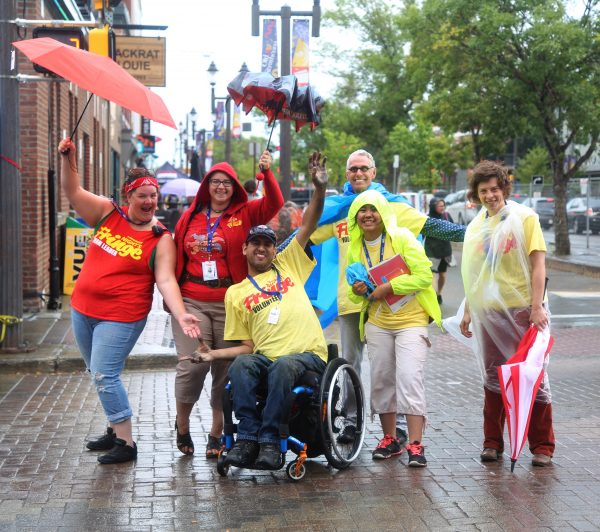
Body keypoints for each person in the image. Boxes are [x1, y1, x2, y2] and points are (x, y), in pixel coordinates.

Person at [58, 137, 200, 464]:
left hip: (122, 315)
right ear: (128, 197)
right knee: (97, 369)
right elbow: (72, 191)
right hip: (83, 309)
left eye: (153, 195)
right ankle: (113, 428)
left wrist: (181, 315)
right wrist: (69, 159)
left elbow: (165, 280)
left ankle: (126, 443)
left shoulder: (160, 237)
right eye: (143, 196)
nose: (150, 201)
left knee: (105, 374)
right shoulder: (108, 214)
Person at [309, 149, 465, 445]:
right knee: (350, 365)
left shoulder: (393, 207)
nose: (358, 173)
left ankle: (399, 427)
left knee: (394, 367)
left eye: (363, 168)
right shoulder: (339, 210)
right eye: (353, 169)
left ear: (374, 172)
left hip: (392, 304)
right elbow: (306, 234)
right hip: (353, 302)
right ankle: (351, 422)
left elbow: (434, 227)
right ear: (346, 174)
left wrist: (476, 232)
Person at [193, 152, 329, 469]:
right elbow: (248, 346)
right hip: (266, 358)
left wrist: (319, 189)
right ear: (245, 249)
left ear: (273, 248)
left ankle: (271, 441)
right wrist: (212, 355)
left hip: (306, 354)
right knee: (241, 365)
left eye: (267, 244)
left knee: (282, 366)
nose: (262, 248)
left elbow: (308, 224)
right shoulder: (236, 293)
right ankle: (246, 439)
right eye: (255, 243)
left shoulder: (288, 264)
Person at [171, 150, 284, 458]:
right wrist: (173, 302)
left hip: (232, 300)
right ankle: (182, 425)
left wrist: (267, 173)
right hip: (192, 299)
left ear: (234, 187)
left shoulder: (244, 213)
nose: (221, 187)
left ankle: (216, 432)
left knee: (226, 370)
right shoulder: (190, 218)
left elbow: (274, 204)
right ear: (206, 185)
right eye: (215, 182)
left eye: (227, 183)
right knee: (192, 366)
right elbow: (174, 259)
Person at [459, 160, 554, 466]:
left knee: (533, 376)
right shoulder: (477, 227)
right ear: (476, 194)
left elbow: (538, 264)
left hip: (523, 310)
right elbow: (476, 273)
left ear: (504, 188)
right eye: (483, 190)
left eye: (494, 189)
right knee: (492, 377)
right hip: (489, 311)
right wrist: (468, 309)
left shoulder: (525, 218)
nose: (490, 195)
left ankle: (542, 446)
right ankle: (492, 443)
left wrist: (537, 306)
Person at [346, 189, 442, 466]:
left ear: (383, 212)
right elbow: (354, 294)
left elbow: (424, 275)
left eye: (372, 209)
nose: (367, 215)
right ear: (355, 216)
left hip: (411, 321)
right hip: (378, 322)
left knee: (410, 378)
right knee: (381, 381)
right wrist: (359, 289)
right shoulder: (355, 246)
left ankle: (415, 444)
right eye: (361, 210)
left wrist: (391, 286)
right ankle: (389, 440)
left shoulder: (401, 237)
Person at [424, 198, 455, 304]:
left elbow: (453, 228)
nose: (442, 208)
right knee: (432, 275)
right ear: (433, 206)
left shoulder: (446, 216)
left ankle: (438, 293)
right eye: (440, 206)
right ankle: (432, 297)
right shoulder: (427, 219)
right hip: (431, 250)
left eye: (443, 205)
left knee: (442, 275)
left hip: (445, 250)